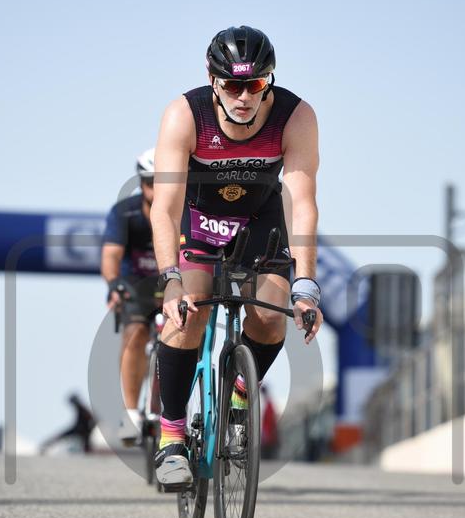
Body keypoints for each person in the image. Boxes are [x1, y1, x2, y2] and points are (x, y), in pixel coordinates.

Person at [150, 25, 323, 487]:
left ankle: (240, 398)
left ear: (269, 80)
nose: (244, 97)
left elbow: (302, 205)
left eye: (255, 84)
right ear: (213, 81)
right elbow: (164, 207)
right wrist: (170, 279)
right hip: (200, 219)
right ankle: (171, 437)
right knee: (189, 312)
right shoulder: (185, 115)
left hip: (259, 221)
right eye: (231, 85)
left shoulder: (295, 116)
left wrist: (306, 285)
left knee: (269, 315)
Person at [101, 149, 162, 445]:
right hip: (136, 284)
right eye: (150, 182)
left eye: (162, 182)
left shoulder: (185, 209)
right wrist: (114, 285)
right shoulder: (125, 213)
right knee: (135, 333)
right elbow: (111, 255)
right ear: (141, 183)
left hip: (172, 282)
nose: (155, 188)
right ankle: (131, 412)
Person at [260, 385, 279, 460]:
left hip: (268, 433)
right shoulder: (268, 403)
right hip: (267, 433)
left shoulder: (268, 404)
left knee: (268, 454)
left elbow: (270, 420)